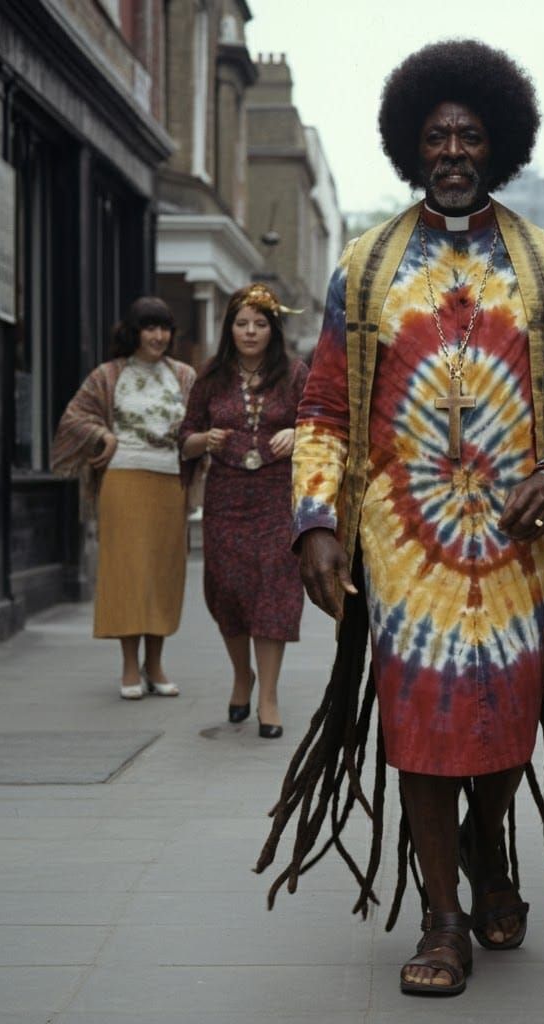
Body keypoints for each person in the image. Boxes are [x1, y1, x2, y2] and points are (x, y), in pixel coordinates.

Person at [254, 41, 544, 997]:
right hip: (403, 545)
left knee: (506, 723)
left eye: (469, 134)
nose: (453, 148)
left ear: (496, 144)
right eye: (435, 135)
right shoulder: (364, 267)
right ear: (410, 148)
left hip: (516, 545)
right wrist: (315, 524)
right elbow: (323, 410)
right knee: (420, 728)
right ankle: (444, 914)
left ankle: (488, 843)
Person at [179, 284, 309, 739]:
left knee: (274, 589)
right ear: (229, 329)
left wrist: (298, 434)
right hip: (226, 497)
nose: (250, 332)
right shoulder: (210, 377)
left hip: (277, 496)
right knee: (228, 590)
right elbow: (186, 436)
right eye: (241, 323)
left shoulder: (294, 374)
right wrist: (203, 440)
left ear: (273, 330)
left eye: (259, 324)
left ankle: (269, 696)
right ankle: (241, 675)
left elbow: (322, 425)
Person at [51, 296, 195, 698]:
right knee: (127, 572)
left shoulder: (184, 376)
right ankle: (130, 666)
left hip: (171, 483)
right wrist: (104, 435)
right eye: (150, 328)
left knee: (164, 573)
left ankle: (156, 664)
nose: (158, 336)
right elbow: (74, 418)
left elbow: (200, 424)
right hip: (124, 480)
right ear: (134, 332)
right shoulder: (108, 374)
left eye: (164, 328)